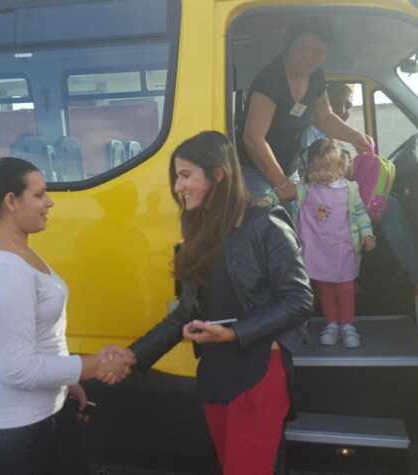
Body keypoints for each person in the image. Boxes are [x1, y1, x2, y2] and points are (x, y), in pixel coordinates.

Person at [126, 131, 313, 475]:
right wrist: (133, 356)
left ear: (218, 174)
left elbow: (299, 300)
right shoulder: (196, 231)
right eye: (176, 177)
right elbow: (184, 313)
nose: (178, 187)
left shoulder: (266, 223)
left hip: (257, 373)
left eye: (186, 175)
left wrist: (234, 333)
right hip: (215, 375)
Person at [0, 157, 135, 475]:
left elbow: (40, 340)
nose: (49, 202)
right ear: (11, 201)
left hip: (35, 416)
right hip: (5, 426)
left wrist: (67, 381)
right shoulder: (3, 270)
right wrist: (97, 364)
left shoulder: (18, 251)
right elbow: (18, 370)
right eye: (39, 194)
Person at [237, 16, 372, 214]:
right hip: (253, 170)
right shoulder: (270, 80)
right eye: (303, 49)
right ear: (289, 46)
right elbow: (252, 138)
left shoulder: (316, 76)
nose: (310, 57)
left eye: (318, 51)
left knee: (302, 222)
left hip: (287, 170)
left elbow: (324, 118)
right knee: (273, 223)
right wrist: (281, 183)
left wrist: (355, 137)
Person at [303, 83, 418, 286]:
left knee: (390, 199)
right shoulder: (311, 135)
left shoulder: (331, 137)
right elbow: (315, 177)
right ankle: (415, 271)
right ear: (323, 106)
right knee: (389, 206)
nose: (343, 110)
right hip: (323, 207)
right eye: (336, 103)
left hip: (335, 197)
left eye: (348, 105)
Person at [268, 138, 376, 348]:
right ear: (308, 169)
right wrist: (266, 200)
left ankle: (347, 325)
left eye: (327, 168)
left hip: (343, 247)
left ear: (340, 166)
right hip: (317, 248)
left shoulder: (349, 189)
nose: (321, 173)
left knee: (345, 287)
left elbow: (360, 213)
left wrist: (367, 233)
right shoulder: (305, 188)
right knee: (325, 286)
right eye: (315, 169)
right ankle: (332, 323)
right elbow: (281, 192)